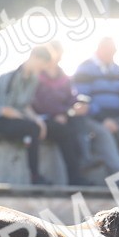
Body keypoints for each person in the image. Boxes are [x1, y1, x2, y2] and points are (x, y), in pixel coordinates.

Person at [73, 37, 119, 178]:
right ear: (100, 50)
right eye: (110, 51)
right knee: (104, 134)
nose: (112, 55)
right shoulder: (85, 69)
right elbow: (83, 100)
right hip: (93, 118)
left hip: (117, 118)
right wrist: (103, 119)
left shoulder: (115, 69)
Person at [0, 46, 55, 185]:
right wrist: (31, 122)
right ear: (35, 57)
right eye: (42, 65)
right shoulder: (9, 77)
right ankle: (35, 176)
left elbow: (25, 106)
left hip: (19, 120)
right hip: (2, 121)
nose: (42, 69)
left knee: (39, 127)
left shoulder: (33, 80)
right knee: (32, 129)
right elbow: (5, 110)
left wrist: (38, 120)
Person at [30, 40, 89, 186]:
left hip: (63, 117)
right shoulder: (37, 75)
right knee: (66, 132)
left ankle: (83, 165)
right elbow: (38, 102)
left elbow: (71, 97)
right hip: (42, 119)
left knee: (77, 125)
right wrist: (59, 114)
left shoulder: (63, 75)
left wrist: (77, 105)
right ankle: (75, 177)